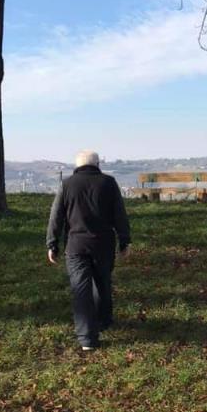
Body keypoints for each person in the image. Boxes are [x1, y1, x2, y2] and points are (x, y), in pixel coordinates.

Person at [46, 150, 131, 351]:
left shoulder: (67, 184)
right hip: (103, 244)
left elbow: (56, 216)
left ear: (77, 165)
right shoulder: (108, 183)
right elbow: (120, 214)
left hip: (76, 245)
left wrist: (52, 243)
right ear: (97, 164)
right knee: (102, 283)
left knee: (81, 289)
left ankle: (87, 339)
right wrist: (125, 241)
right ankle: (103, 321)